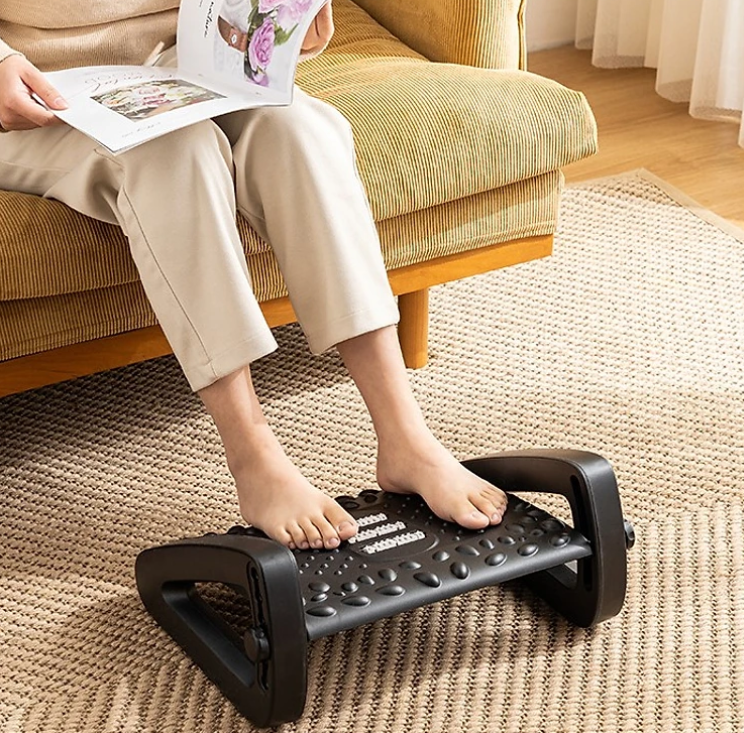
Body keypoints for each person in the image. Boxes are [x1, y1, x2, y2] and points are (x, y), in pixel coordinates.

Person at [0, 0, 507, 552]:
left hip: (177, 60)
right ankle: (252, 454)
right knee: (177, 154)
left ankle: (406, 436)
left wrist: (283, 26)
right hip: (35, 92)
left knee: (300, 133)